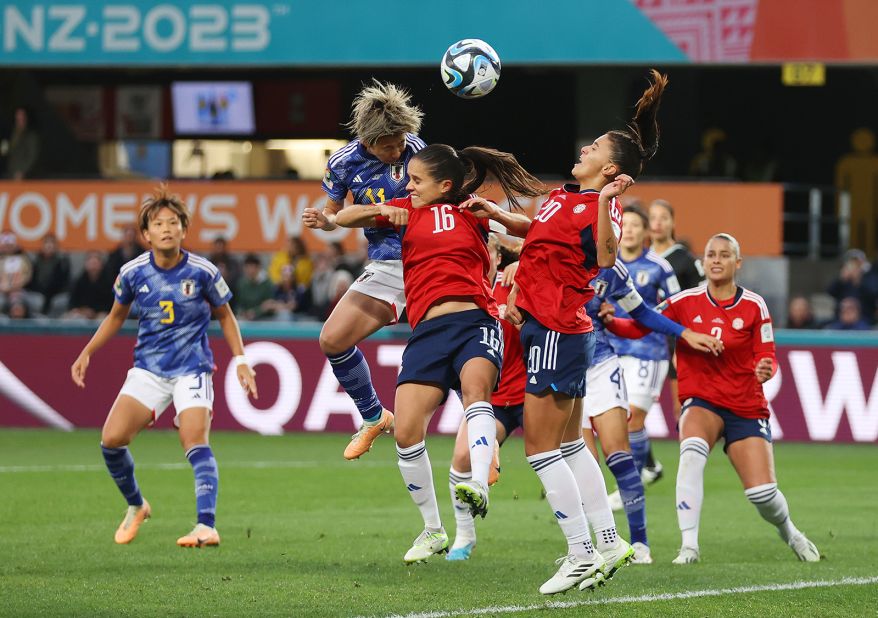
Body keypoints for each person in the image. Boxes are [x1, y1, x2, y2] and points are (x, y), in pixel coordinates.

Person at [334, 143, 542, 564]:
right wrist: (381, 212)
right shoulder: (405, 211)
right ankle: (432, 530)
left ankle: (478, 485)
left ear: (444, 185)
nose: (408, 187)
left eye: (416, 180)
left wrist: (499, 215)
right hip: (427, 331)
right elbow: (343, 216)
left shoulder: (472, 210)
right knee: (408, 431)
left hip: (474, 322)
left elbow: (531, 230)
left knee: (476, 393)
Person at [504, 69, 669, 595]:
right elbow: (543, 237)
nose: (583, 147)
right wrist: (500, 219)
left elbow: (603, 257)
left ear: (611, 168)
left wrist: (603, 202)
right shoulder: (563, 195)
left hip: (557, 328)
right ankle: (608, 540)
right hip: (544, 324)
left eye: (594, 146)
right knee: (573, 444)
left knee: (539, 448)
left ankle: (578, 553)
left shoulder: (607, 208)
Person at [606, 233, 820, 565]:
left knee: (762, 495)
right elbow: (640, 326)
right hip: (702, 399)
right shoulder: (684, 301)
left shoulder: (753, 305)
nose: (716, 260)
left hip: (745, 405)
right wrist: (611, 321)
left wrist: (766, 368)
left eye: (724, 255)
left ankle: (790, 531)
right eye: (711, 255)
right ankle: (689, 547)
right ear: (703, 263)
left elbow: (767, 355)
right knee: (691, 451)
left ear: (738, 263)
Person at [70, 185, 257, 547]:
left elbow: (226, 316)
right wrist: (87, 351)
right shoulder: (132, 273)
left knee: (195, 442)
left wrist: (241, 360)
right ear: (146, 234)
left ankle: (206, 525)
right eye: (159, 224)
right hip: (149, 371)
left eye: (173, 222)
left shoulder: (203, 271)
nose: (167, 228)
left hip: (193, 369)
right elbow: (115, 317)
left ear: (184, 230)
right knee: (111, 441)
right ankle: (137, 505)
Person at [302, 80, 426, 460]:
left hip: (428, 260)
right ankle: (373, 416)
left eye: (401, 141)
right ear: (367, 142)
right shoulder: (343, 163)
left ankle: (487, 432)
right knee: (332, 339)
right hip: (386, 264)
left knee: (451, 353)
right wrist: (323, 222)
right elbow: (332, 213)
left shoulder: (418, 152)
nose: (398, 149)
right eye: (389, 145)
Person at [581, 262, 721, 565]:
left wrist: (684, 333)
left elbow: (641, 313)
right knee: (583, 464)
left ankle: (640, 544)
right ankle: (589, 547)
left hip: (601, 362)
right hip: (561, 367)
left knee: (618, 455)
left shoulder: (614, 271)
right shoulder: (555, 253)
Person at [446, 236, 521, 561]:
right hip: (493, 400)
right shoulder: (457, 297)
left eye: (485, 249)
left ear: (495, 255)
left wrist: (525, 264)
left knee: (569, 457)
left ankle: (598, 537)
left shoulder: (516, 280)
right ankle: (464, 535)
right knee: (462, 458)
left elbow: (551, 245)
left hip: (534, 390)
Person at [607, 204, 680, 491]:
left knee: (632, 417)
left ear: (646, 231)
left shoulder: (659, 267)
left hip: (648, 351)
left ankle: (630, 486)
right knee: (613, 421)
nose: (630, 230)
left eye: (637, 225)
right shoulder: (607, 264)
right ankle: (647, 467)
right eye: (626, 224)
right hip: (610, 351)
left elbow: (677, 305)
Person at [647, 199, 706, 439]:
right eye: (653, 218)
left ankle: (688, 461)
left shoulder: (686, 260)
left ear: (673, 222)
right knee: (629, 407)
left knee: (680, 407)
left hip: (674, 338)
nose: (658, 223)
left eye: (664, 218)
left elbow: (700, 299)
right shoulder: (638, 257)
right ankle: (645, 462)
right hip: (642, 337)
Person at [26, 233, 71, 315]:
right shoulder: (35, 262)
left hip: (55, 294)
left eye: (52, 243)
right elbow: (31, 282)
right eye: (46, 243)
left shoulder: (62, 263)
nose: (49, 246)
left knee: (59, 301)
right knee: (37, 300)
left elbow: (64, 282)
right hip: (37, 293)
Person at [64, 252, 114, 319]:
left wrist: (94, 312)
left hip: (102, 313)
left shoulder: (109, 282)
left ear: (101, 265)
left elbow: (111, 303)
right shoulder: (79, 281)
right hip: (82, 313)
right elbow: (72, 302)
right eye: (91, 264)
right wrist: (82, 310)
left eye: (95, 264)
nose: (93, 267)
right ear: (86, 264)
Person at [6, 107, 39, 180]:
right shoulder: (11, 133)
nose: (19, 117)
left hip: (22, 173)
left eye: (21, 115)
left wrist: (22, 171)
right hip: (10, 171)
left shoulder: (30, 135)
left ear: (26, 117)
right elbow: (6, 150)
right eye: (17, 115)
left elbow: (32, 155)